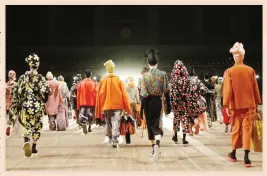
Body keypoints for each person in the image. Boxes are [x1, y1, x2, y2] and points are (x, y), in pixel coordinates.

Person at [223, 42, 261, 168]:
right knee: (247, 130)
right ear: (243, 56)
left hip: (235, 105)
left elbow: (228, 90)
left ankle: (233, 154)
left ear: (235, 56)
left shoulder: (229, 71)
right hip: (249, 105)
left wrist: (226, 105)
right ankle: (246, 158)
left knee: (235, 129)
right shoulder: (250, 70)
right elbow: (256, 89)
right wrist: (257, 104)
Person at [9, 53, 51, 157]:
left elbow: (16, 90)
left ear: (29, 64)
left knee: (26, 124)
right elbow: (46, 91)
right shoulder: (40, 77)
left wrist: (17, 103)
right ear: (38, 64)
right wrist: (42, 100)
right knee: (37, 125)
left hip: (25, 105)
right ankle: (34, 147)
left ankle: (26, 140)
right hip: (37, 106)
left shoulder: (23, 77)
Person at [140, 49, 171, 162]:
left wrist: (141, 109)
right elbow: (166, 91)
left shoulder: (144, 76)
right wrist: (169, 106)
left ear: (148, 64)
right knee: (157, 125)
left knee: (149, 126)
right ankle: (157, 144)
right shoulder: (163, 74)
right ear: (157, 63)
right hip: (158, 102)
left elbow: (143, 94)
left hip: (148, 102)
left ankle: (154, 149)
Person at [95, 60, 131, 148]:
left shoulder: (103, 81)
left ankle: (110, 138)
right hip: (117, 106)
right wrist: (127, 108)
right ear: (113, 69)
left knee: (108, 123)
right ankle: (115, 139)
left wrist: (101, 107)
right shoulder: (119, 80)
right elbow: (125, 95)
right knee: (116, 123)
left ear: (107, 69)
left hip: (106, 106)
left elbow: (99, 94)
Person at [170, 61, 206, 144]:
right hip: (185, 103)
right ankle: (184, 138)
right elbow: (192, 91)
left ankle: (175, 136)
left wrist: (173, 102)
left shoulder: (173, 80)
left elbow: (171, 93)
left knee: (176, 119)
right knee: (184, 119)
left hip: (176, 103)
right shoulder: (187, 80)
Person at [77, 69, 97, 134]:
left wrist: (78, 104)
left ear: (85, 75)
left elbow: (78, 94)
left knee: (83, 114)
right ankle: (89, 127)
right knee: (90, 114)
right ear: (91, 74)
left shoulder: (81, 83)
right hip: (91, 102)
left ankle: (84, 123)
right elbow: (96, 93)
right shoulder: (94, 83)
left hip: (83, 101)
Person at [6, 70, 18, 137]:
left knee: (9, 115)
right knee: (15, 116)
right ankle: (13, 129)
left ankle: (8, 126)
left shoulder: (6, 84)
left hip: (7, 103)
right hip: (14, 102)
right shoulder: (16, 85)